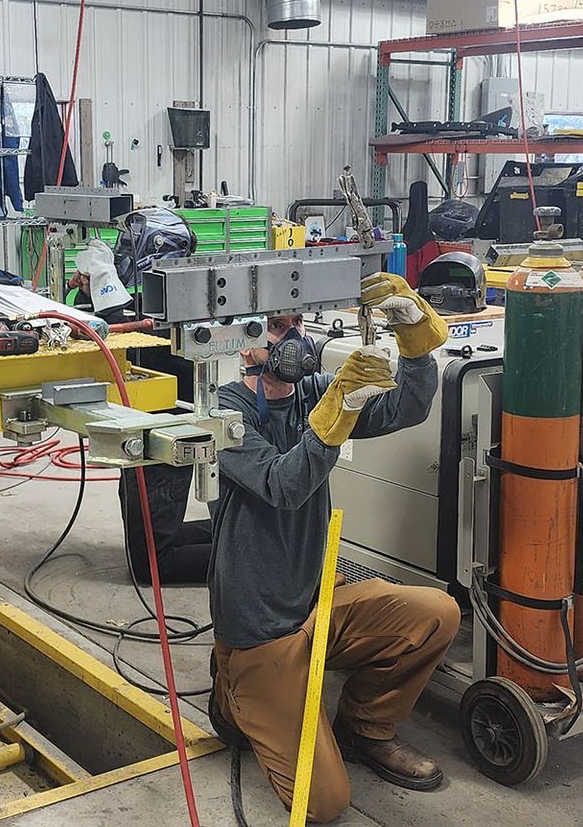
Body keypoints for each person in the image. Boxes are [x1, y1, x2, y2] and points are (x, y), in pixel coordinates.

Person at [207, 272, 457, 822]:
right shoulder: (222, 415)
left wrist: (412, 340)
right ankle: (232, 693)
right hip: (260, 630)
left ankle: (366, 726)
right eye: (277, 326)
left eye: (296, 322)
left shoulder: (314, 393)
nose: (292, 337)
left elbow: (407, 409)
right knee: (324, 804)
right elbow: (284, 485)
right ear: (243, 337)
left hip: (319, 601)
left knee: (436, 614)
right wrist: (339, 406)